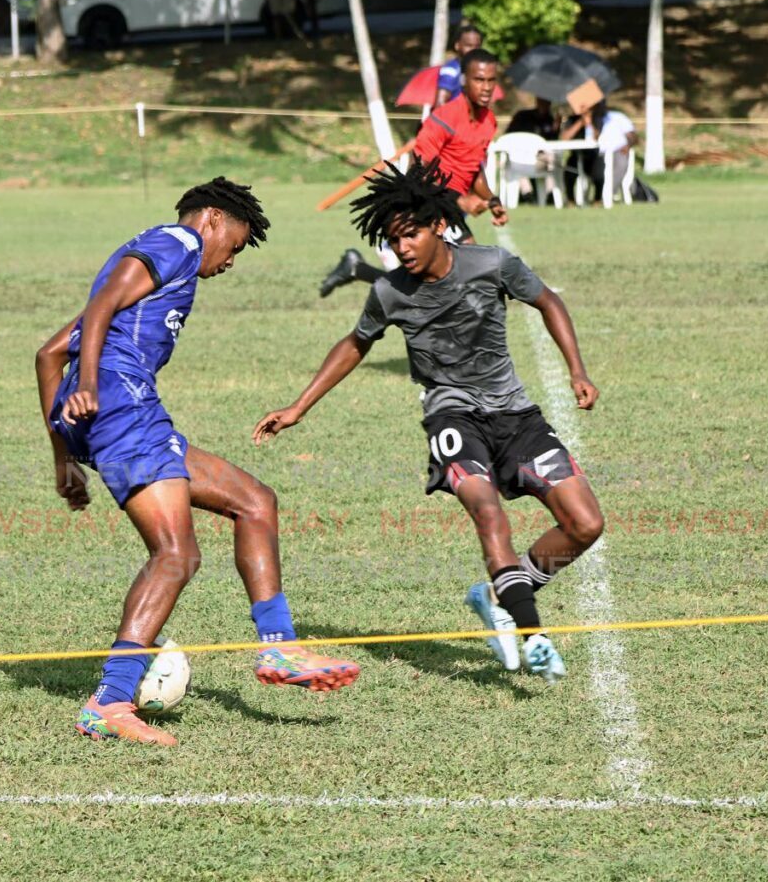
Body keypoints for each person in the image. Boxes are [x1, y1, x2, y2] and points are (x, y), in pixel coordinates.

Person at [36, 177, 359, 747]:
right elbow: (104, 303)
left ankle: (278, 645)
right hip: (122, 406)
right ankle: (109, 701)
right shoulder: (178, 243)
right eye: (234, 244)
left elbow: (48, 351)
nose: (231, 258)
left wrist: (65, 457)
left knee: (255, 502)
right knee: (176, 554)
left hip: (120, 412)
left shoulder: (169, 257)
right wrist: (89, 384)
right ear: (212, 218)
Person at [257, 160, 604, 683]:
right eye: (393, 241)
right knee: (488, 513)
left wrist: (577, 369)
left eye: (410, 234)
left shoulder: (492, 265)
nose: (403, 249)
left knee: (585, 523)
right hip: (452, 417)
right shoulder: (390, 292)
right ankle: (532, 634)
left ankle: (504, 593)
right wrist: (298, 407)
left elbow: (547, 300)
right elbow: (356, 343)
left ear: (439, 225)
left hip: (515, 413)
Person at [320, 48, 507, 297]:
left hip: (450, 209)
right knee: (464, 274)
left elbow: (474, 169)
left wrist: (491, 199)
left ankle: (357, 269)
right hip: (429, 206)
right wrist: (458, 200)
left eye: (491, 80)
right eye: (479, 79)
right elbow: (419, 170)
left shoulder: (489, 121)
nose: (486, 87)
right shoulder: (443, 119)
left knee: (426, 288)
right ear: (464, 80)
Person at [596, 103, 637, 202]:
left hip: (618, 150)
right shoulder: (591, 120)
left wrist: (628, 145)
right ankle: (598, 195)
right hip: (598, 152)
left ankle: (607, 194)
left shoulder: (617, 117)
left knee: (621, 165)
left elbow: (632, 135)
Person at [435, 25, 484, 107]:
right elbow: (440, 104)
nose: (473, 50)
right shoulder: (451, 71)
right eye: (469, 46)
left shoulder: (479, 71)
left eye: (477, 46)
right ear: (457, 46)